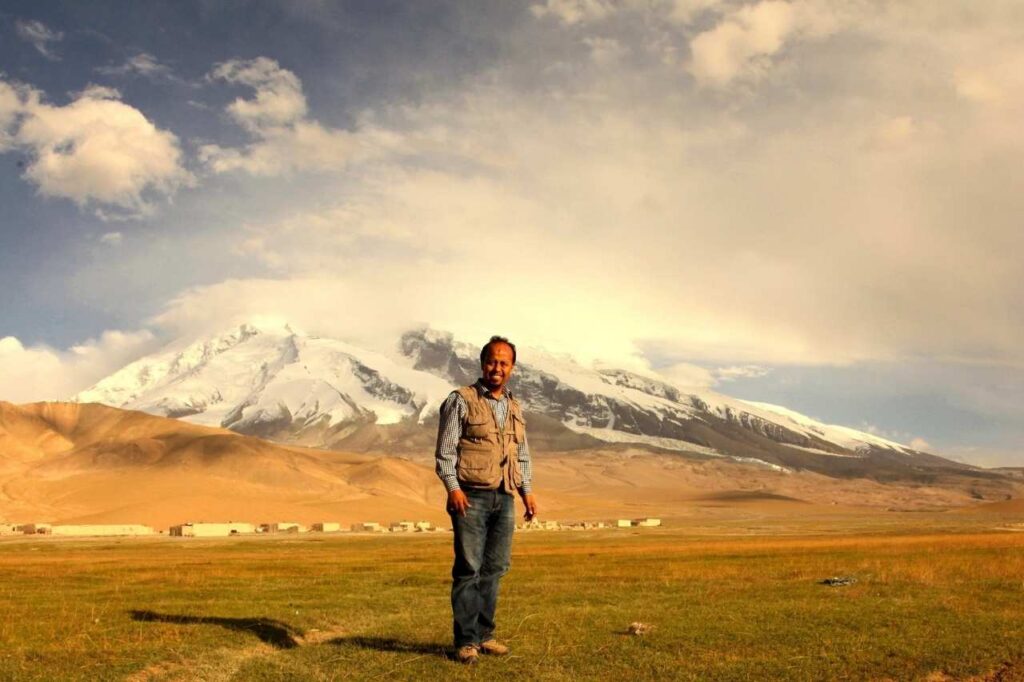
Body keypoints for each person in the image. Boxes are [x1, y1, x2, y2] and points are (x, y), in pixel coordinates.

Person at [435, 335, 538, 665]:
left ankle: (485, 635)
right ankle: (465, 642)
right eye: (492, 361)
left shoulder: (514, 406)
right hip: (471, 496)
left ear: (512, 368)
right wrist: (453, 488)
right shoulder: (460, 400)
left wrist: (527, 492)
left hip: (504, 496)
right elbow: (445, 451)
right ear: (483, 363)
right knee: (469, 569)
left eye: (504, 363)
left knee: (495, 569)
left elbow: (521, 454)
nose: (497, 367)